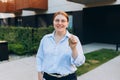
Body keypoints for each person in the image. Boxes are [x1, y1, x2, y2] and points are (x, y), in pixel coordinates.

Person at [36, 11, 85, 80]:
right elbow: (39, 58)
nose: (59, 23)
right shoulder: (45, 39)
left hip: (69, 77)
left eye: (63, 21)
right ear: (53, 22)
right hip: (48, 77)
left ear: (67, 24)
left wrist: (73, 49)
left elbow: (79, 63)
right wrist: (39, 76)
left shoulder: (74, 39)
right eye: (57, 20)